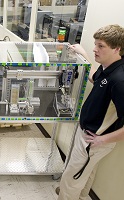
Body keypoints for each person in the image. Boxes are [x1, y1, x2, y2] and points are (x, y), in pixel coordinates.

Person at [57, 24, 124, 200]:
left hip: (93, 139)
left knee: (72, 177)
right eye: (95, 44)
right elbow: (96, 79)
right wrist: (82, 53)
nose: (95, 49)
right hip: (89, 135)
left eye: (100, 46)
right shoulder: (108, 67)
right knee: (86, 172)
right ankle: (79, 196)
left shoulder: (120, 80)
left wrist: (102, 139)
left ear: (117, 49)